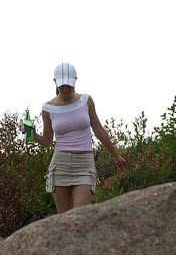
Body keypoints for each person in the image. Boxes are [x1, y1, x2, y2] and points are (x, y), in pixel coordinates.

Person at [30, 62, 127, 213]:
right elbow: (48, 141)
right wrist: (33, 134)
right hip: (60, 164)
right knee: (64, 219)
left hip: (84, 164)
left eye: (68, 84)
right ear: (55, 82)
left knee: (80, 215)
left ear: (75, 80)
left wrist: (116, 155)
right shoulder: (47, 108)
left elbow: (99, 130)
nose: (65, 88)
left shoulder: (86, 101)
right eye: (62, 84)